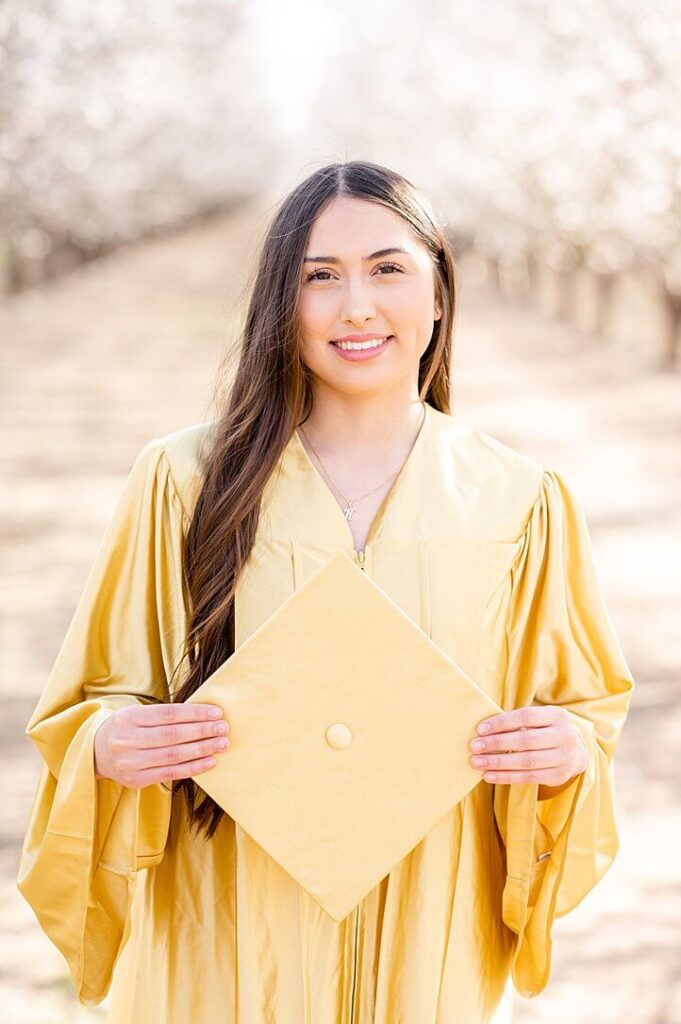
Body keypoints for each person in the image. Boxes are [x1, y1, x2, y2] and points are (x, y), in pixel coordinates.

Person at [17, 160, 634, 1024]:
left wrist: (563, 750)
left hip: (429, 921)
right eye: (319, 277)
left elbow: (581, 716)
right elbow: (89, 707)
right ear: (282, 301)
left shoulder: (520, 500)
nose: (356, 308)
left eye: (388, 269)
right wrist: (113, 745)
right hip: (225, 920)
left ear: (439, 294)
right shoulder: (185, 484)